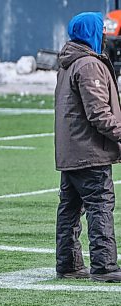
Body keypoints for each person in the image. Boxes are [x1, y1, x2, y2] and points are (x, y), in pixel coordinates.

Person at [55, 12, 121, 282]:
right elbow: (99, 114)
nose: (105, 37)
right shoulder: (89, 65)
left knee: (69, 210)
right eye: (102, 32)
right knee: (100, 205)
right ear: (93, 33)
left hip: (71, 150)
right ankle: (105, 266)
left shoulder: (68, 63)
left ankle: (68, 264)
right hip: (89, 152)